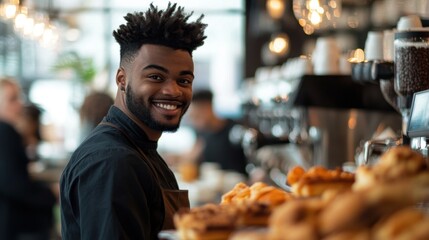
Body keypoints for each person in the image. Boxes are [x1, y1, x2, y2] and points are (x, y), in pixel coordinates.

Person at [60, 3, 207, 239]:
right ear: (122, 79)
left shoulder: (140, 149)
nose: (173, 91)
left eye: (184, 80)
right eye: (156, 77)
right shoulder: (112, 161)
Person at [0, 77, 57, 240]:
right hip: (14, 223)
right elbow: (12, 184)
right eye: (12, 99)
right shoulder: (5, 131)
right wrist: (51, 194)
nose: (19, 105)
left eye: (19, 98)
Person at [186, 89, 249, 177]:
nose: (193, 122)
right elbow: (191, 161)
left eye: (196, 116)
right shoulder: (202, 134)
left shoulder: (235, 130)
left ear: (207, 108)